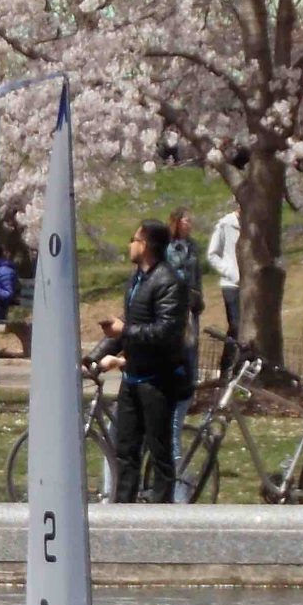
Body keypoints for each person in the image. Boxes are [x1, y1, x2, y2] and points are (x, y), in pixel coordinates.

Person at [99, 219, 190, 503]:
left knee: (160, 451)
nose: (130, 245)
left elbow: (165, 332)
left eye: (134, 239)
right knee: (125, 449)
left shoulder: (169, 282)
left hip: (158, 381)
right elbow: (128, 323)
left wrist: (124, 331)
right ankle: (123, 508)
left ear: (147, 245)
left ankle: (161, 513)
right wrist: (95, 356)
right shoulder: (137, 279)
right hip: (133, 378)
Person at [163, 208, 206, 499]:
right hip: (175, 307)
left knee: (190, 350)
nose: (190, 223)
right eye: (186, 219)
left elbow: (197, 277)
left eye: (192, 219)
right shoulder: (169, 248)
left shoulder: (193, 249)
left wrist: (198, 300)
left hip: (189, 309)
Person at [206, 209, 241, 382]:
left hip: (250, 285)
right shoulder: (226, 224)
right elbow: (212, 254)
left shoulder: (256, 223)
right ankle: (226, 369)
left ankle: (240, 370)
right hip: (231, 284)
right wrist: (228, 271)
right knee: (236, 326)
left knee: (248, 329)